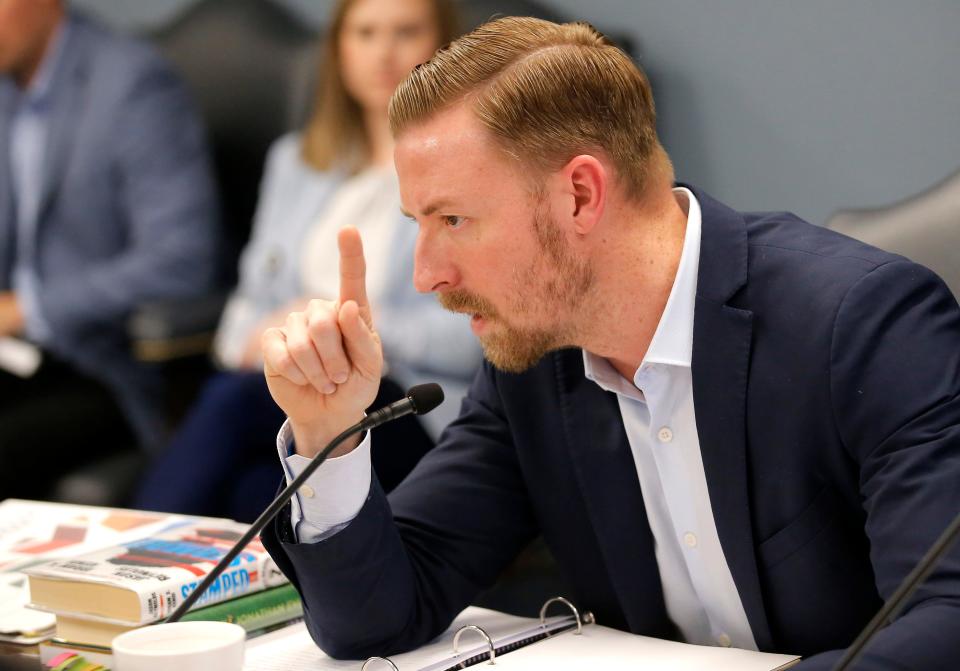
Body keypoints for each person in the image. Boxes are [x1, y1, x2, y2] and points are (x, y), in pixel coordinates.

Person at [258, 16, 960, 670]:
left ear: (581, 196)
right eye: (419, 222)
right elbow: (376, 619)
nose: (427, 273)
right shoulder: (533, 368)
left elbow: (948, 618)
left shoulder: (862, 323)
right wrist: (332, 436)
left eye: (454, 219)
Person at [134, 0, 479, 523]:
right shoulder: (295, 163)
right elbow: (240, 318)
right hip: (291, 395)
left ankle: (121, 564)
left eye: (405, 32)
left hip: (406, 407)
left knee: (231, 405)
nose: (383, 54)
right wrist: (273, 335)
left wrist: (361, 333)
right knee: (252, 493)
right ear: (338, 48)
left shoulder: (469, 167)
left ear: (442, 47)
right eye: (365, 33)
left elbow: (483, 339)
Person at [0, 0, 218, 499]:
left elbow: (180, 259)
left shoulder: (132, 85)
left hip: (100, 365)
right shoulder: (8, 85)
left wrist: (28, 309)